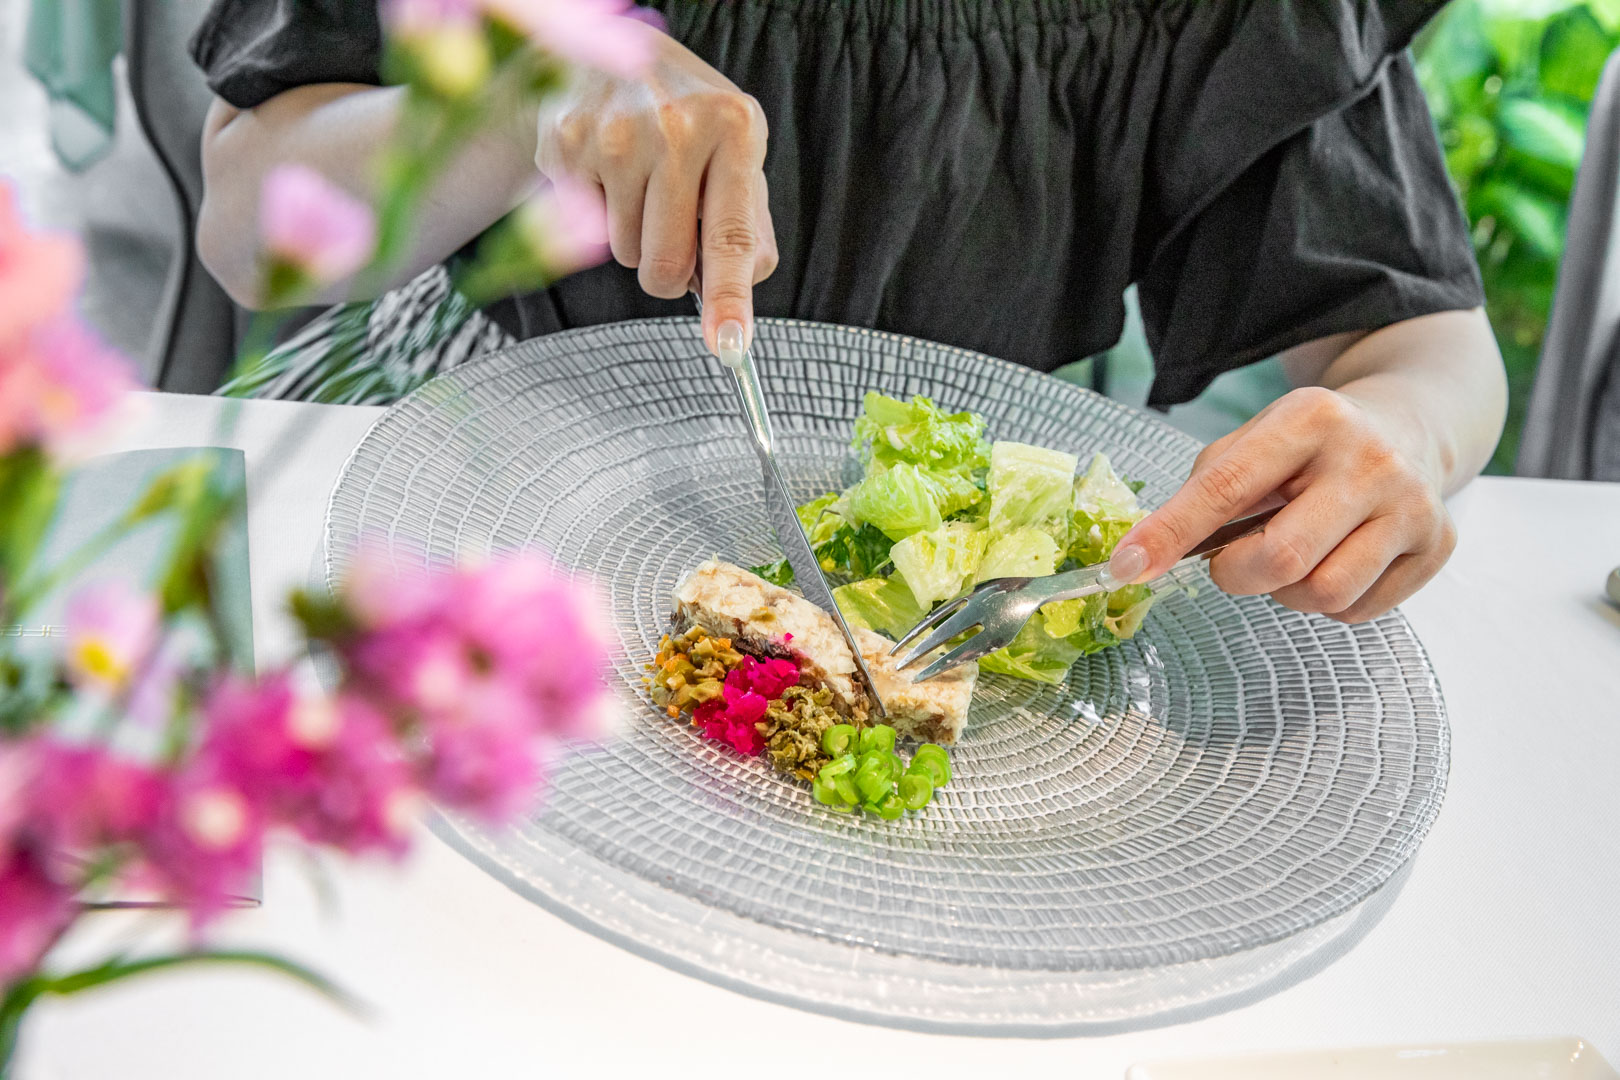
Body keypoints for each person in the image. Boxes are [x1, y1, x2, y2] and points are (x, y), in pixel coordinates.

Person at [190, 0, 1506, 624]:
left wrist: (1403, 435)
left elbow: (1414, 338)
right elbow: (248, 232)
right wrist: (531, 94)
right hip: (459, 473)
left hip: (941, 598)